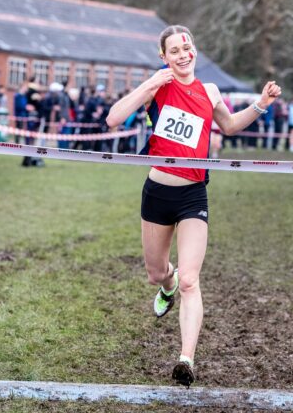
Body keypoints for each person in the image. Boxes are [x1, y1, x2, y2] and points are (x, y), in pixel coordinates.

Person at [106, 25, 281, 387]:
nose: (183, 54)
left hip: (192, 195)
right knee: (158, 273)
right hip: (157, 192)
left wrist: (260, 105)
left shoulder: (210, 90)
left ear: (194, 50)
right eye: (175, 50)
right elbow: (113, 119)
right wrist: (149, 85)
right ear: (164, 57)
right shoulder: (159, 87)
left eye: (187, 47)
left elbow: (230, 126)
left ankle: (186, 359)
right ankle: (165, 286)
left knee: (190, 279)